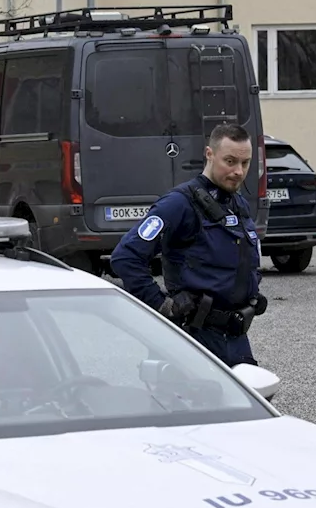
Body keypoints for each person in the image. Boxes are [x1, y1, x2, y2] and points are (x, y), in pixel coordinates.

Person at [109, 122, 267, 367]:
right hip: (193, 338)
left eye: (245, 163)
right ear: (209, 154)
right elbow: (125, 258)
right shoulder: (179, 204)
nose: (238, 171)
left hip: (235, 337)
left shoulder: (238, 204)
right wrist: (161, 306)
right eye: (230, 161)